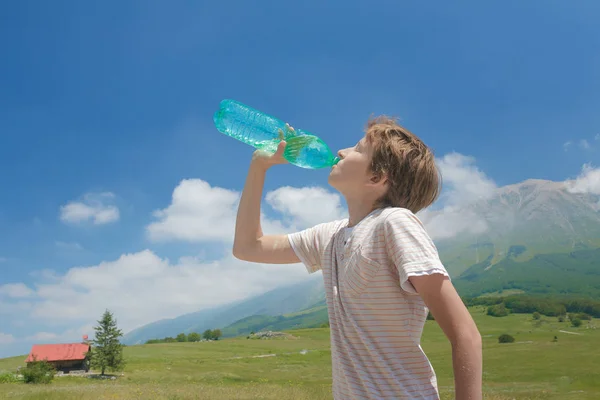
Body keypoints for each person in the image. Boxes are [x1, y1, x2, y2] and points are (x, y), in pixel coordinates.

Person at [233, 116, 482, 400]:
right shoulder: (331, 236)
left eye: (358, 148)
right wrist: (259, 166)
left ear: (377, 178)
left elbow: (466, 334)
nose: (340, 151)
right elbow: (247, 247)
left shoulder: (394, 222)